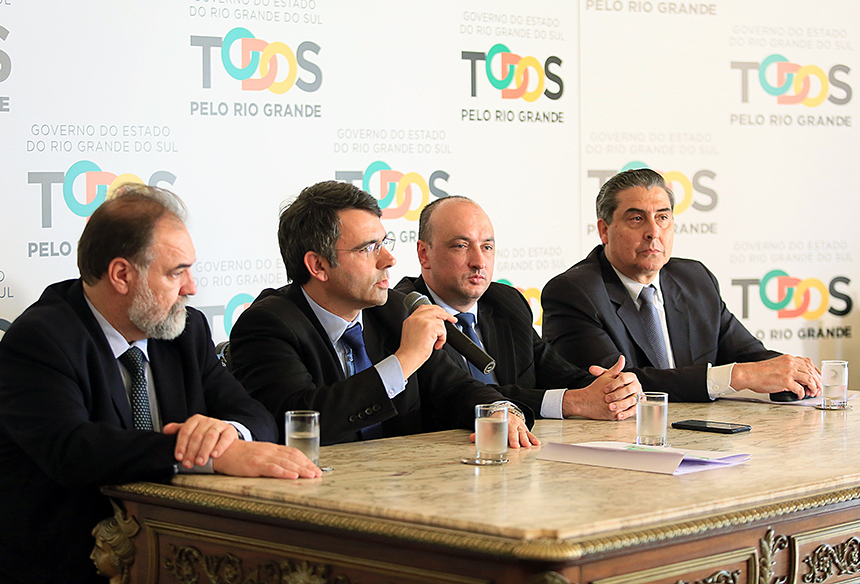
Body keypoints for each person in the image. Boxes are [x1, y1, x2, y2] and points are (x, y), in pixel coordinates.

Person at [0, 185, 320, 584]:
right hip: (69, 563)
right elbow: (73, 450)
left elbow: (253, 414)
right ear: (121, 275)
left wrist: (228, 434)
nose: (191, 288)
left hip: (178, 551)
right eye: (176, 272)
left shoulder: (186, 329)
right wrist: (204, 456)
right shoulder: (41, 339)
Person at [229, 181, 538, 447]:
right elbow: (299, 421)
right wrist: (404, 360)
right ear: (318, 266)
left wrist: (499, 409)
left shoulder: (392, 310)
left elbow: (454, 389)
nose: (389, 259)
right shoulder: (267, 325)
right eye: (369, 248)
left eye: (385, 243)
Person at [542, 168, 822, 402]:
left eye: (662, 217)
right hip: (622, 441)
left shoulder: (695, 279)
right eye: (637, 219)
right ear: (604, 230)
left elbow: (749, 355)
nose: (653, 232)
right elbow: (615, 385)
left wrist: (792, 372)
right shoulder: (574, 292)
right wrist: (735, 376)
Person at [394, 196, 640, 420]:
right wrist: (571, 402)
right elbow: (460, 396)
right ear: (424, 254)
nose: (479, 262)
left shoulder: (505, 302)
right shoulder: (401, 312)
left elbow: (556, 371)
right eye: (461, 246)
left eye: (487, 247)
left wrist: (613, 390)